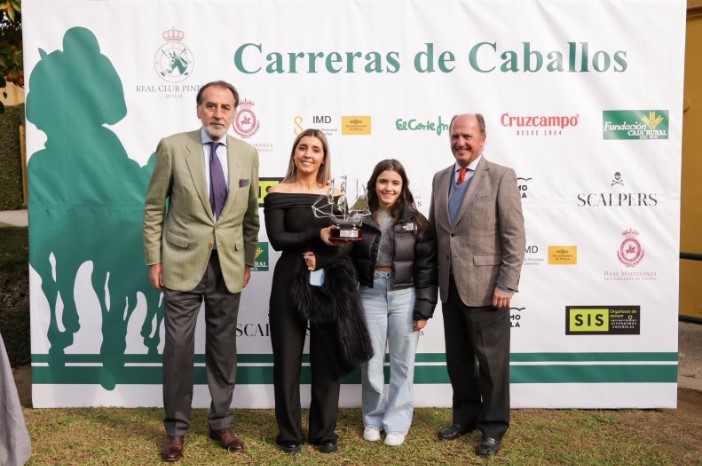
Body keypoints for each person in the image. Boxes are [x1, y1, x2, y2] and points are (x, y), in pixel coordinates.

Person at [143, 80, 260, 462]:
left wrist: (246, 261)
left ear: (234, 113)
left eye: (225, 107)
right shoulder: (174, 147)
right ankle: (176, 430)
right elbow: (154, 208)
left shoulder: (247, 154)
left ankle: (221, 423)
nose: (217, 114)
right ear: (198, 109)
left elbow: (250, 217)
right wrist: (154, 260)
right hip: (180, 265)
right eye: (210, 106)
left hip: (227, 267)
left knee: (223, 350)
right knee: (177, 350)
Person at [264, 129, 372, 454]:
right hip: (288, 280)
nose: (308, 154)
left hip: (328, 281)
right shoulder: (276, 193)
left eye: (316, 149)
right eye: (303, 147)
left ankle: (324, 433)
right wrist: (318, 233)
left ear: (324, 156)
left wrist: (320, 257)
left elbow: (349, 238)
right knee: (287, 362)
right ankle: (290, 436)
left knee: (326, 361)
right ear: (294, 153)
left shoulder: (335, 194)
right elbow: (278, 240)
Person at [429, 113, 525, 457]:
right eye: (455, 136)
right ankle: (465, 418)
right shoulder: (440, 178)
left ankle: (494, 427)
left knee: (492, 365)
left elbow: (514, 235)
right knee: (458, 362)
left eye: (467, 136)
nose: (460, 142)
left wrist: (507, 283)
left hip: (488, 290)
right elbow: (438, 235)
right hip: (450, 289)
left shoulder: (500, 176)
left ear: (482, 139)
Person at [351, 159, 438, 446]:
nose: (388, 187)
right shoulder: (358, 214)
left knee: (403, 364)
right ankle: (373, 419)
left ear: (403, 188)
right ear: (374, 183)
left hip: (405, 295)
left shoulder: (417, 221)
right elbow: (346, 258)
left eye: (395, 183)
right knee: (371, 361)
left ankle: (398, 423)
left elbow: (427, 268)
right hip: (369, 292)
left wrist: (424, 308)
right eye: (383, 181)